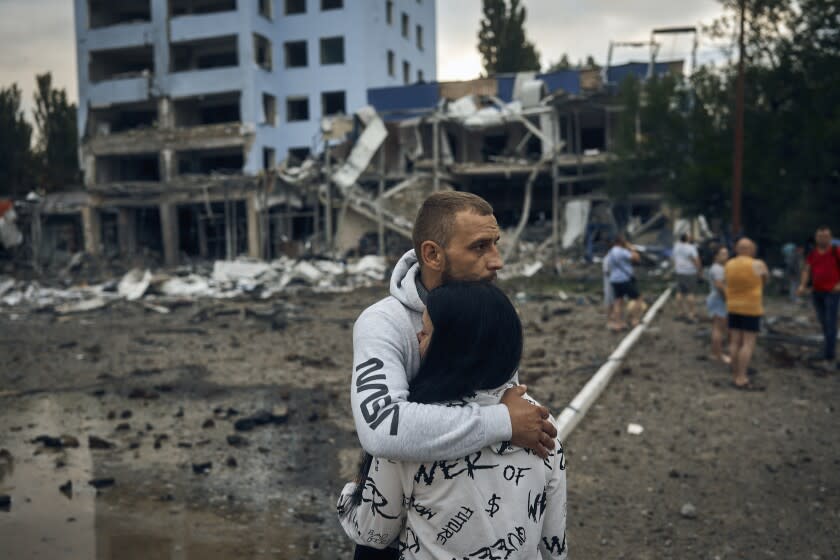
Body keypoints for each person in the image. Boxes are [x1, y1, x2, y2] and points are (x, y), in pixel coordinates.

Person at [349, 192, 557, 558]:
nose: (497, 261)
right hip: (397, 520)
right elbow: (381, 427)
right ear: (432, 254)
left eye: (495, 244)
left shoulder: (486, 310)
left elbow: (500, 396)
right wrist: (503, 421)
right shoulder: (384, 323)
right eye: (479, 247)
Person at [338, 282, 567, 559]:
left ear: (451, 349)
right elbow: (554, 542)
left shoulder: (413, 432)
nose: (417, 336)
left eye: (426, 331)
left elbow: (373, 532)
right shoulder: (538, 421)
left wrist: (351, 493)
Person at [724, 238, 768, 390]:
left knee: (734, 341)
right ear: (751, 250)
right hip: (751, 307)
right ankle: (742, 377)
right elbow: (764, 280)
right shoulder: (758, 264)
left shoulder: (729, 264)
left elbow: (726, 281)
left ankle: (735, 373)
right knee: (748, 343)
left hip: (733, 306)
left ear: (737, 249)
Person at [797, 226, 840, 369]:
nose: (823, 239)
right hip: (817, 291)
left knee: (830, 321)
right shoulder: (813, 253)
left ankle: (829, 353)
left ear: (830, 237)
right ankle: (827, 348)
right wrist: (803, 285)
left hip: (832, 292)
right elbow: (807, 269)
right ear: (816, 238)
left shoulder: (836, 251)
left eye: (825, 236)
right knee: (823, 321)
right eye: (820, 236)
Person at [606, 235, 646, 330]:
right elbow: (636, 258)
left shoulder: (610, 252)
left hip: (614, 280)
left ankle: (618, 324)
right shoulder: (622, 251)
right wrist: (631, 248)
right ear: (621, 242)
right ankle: (634, 320)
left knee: (618, 302)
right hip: (624, 279)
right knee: (638, 298)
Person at [706, 246, 730, 363]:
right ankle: (717, 354)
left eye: (726, 253)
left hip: (718, 299)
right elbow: (719, 286)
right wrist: (727, 299)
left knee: (719, 327)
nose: (726, 256)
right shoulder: (717, 269)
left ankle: (717, 352)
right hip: (718, 299)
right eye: (723, 254)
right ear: (716, 256)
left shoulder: (720, 268)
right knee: (718, 328)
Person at [673, 233, 702, 321]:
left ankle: (679, 312)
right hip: (690, 272)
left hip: (679, 271)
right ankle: (691, 312)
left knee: (679, 292)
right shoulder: (690, 248)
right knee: (690, 293)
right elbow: (696, 260)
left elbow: (674, 258)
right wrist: (699, 270)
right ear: (687, 238)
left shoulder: (676, 246)